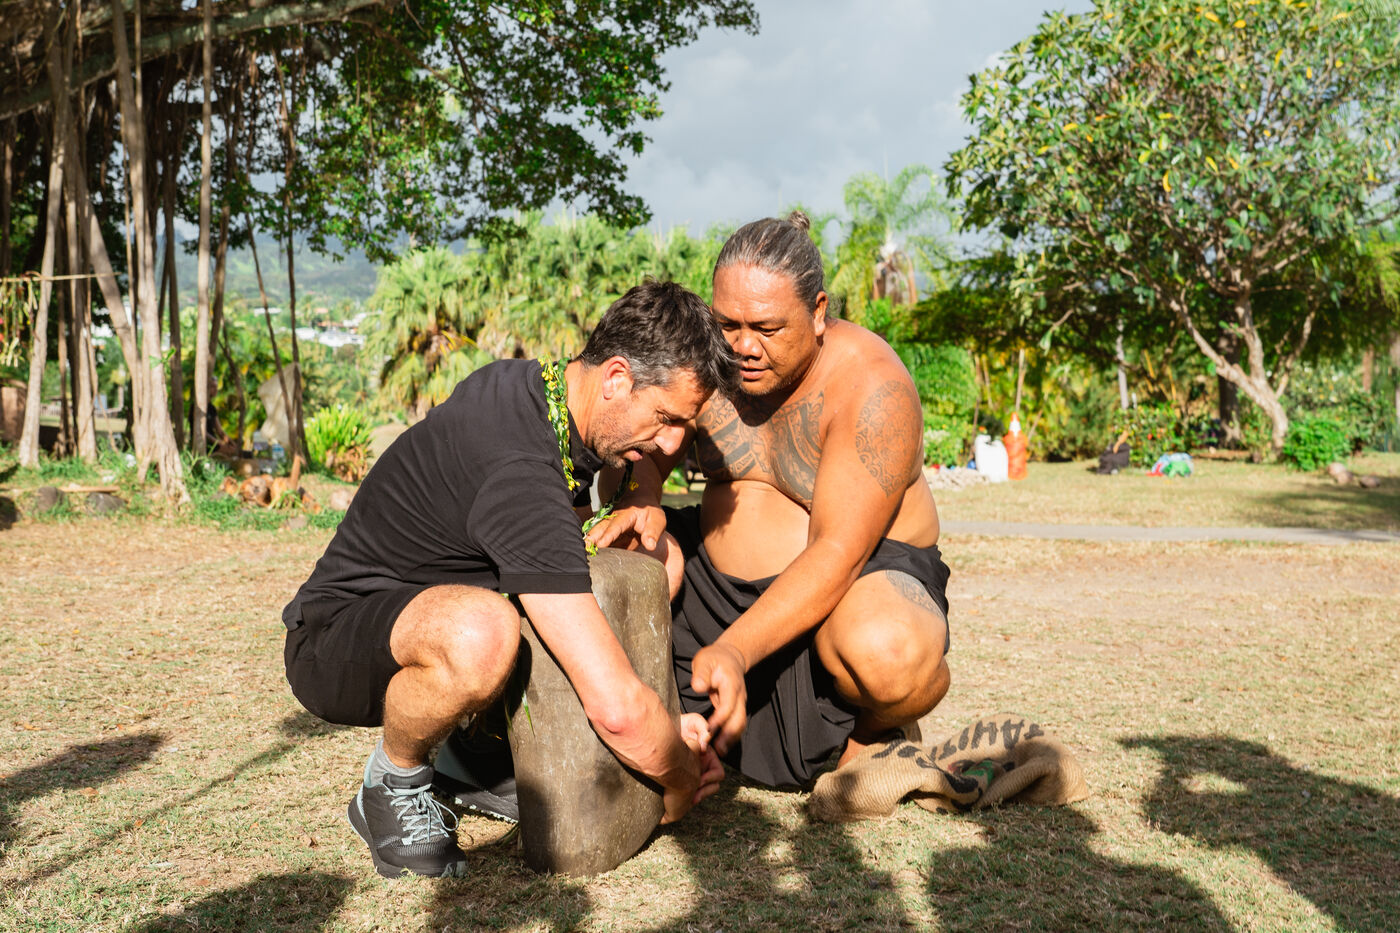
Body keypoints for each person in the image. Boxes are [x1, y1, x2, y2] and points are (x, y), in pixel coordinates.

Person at [282, 281, 737, 879]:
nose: (674, 444)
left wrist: (635, 500)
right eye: (666, 419)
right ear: (616, 378)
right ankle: (394, 781)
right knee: (482, 634)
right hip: (337, 636)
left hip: (429, 603)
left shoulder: (540, 393)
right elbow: (617, 710)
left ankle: (476, 759)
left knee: (656, 555)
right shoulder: (520, 467)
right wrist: (678, 778)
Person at [591, 212, 951, 789]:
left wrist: (735, 651)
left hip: (845, 590)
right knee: (621, 552)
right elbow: (635, 446)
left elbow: (838, 553)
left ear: (818, 311)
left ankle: (874, 735)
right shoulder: (710, 359)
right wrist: (643, 495)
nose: (743, 347)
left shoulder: (872, 386)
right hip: (711, 589)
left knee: (888, 651)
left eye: (767, 327)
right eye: (727, 324)